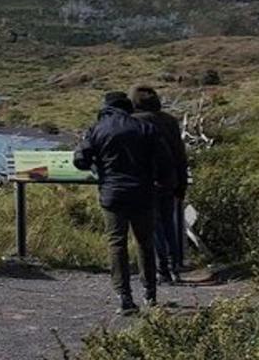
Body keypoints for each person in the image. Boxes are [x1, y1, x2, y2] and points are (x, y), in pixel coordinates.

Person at [74, 92, 175, 315]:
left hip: (113, 194)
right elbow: (165, 161)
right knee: (145, 243)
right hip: (143, 193)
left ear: (107, 107)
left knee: (117, 243)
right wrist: (159, 182)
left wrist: (97, 167)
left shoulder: (98, 128)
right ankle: (150, 294)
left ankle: (125, 297)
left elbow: (80, 160)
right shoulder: (145, 128)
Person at [131, 85, 188, 284]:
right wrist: (182, 184)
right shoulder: (170, 121)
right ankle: (175, 266)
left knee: (154, 227)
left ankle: (162, 269)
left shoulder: (133, 121)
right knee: (168, 223)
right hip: (169, 180)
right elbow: (180, 155)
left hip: (146, 181)